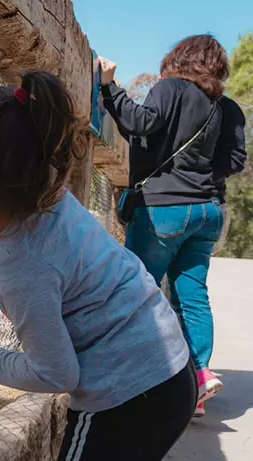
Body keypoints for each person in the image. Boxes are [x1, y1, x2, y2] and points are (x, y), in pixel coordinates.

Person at [0, 70, 196, 461]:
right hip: (163, 372)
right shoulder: (44, 189)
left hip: (129, 398)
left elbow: (57, 373)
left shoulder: (21, 265)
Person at [97, 34, 246, 417]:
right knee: (192, 296)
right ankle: (198, 377)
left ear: (178, 58)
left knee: (135, 290)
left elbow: (139, 122)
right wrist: (196, 178)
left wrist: (109, 87)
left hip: (165, 209)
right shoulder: (225, 107)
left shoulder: (171, 88)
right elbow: (234, 160)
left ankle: (130, 378)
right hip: (208, 212)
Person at [211, 96, 248, 255]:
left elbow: (236, 158)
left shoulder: (226, 107)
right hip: (162, 200)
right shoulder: (174, 99)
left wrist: (195, 177)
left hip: (211, 200)